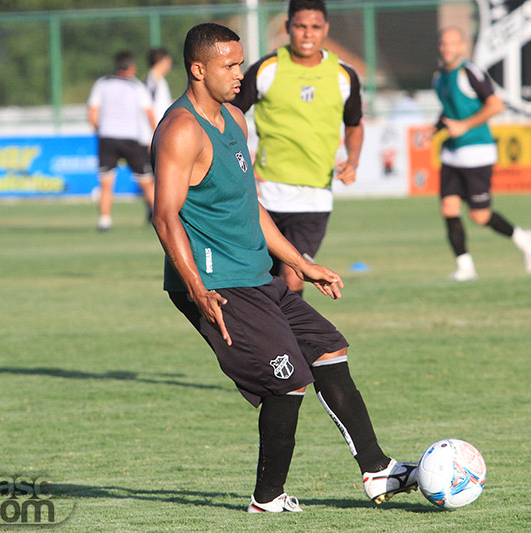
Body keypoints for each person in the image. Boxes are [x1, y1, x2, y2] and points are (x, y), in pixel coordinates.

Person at [151, 22, 417, 513]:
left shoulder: (234, 118)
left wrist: (300, 263)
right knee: (289, 381)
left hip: (258, 276)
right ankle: (267, 497)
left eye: (240, 63)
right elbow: (165, 217)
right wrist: (196, 288)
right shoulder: (181, 130)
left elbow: (249, 205)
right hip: (219, 284)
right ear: (198, 70)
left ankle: (378, 469)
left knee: (329, 349)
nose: (239, 73)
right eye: (229, 65)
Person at [233, 0, 363, 297]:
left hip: (313, 199)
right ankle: (274, 329)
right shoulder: (266, 69)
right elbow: (229, 115)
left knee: (293, 276)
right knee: (261, 280)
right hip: (265, 195)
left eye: (315, 27)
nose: (307, 34)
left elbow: (355, 124)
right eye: (301, 26)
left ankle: (287, 330)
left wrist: (353, 161)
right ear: (287, 26)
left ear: (325, 29)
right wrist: (240, 163)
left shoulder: (344, 75)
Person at [433, 27, 531, 281]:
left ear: (462, 47)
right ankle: (465, 267)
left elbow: (496, 105)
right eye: (444, 43)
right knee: (449, 208)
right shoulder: (439, 78)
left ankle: (523, 238)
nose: (447, 48)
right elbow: (448, 110)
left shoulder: (470, 73)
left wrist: (464, 126)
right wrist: (434, 129)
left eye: (453, 43)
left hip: (477, 152)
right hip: (452, 154)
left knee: (480, 216)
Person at [87, 50, 156, 232]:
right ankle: (160, 216)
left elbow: (92, 113)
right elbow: (149, 114)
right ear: (131, 67)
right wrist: (155, 137)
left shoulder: (102, 83)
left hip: (107, 138)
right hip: (131, 139)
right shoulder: (137, 86)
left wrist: (101, 131)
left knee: (106, 182)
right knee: (146, 181)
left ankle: (104, 220)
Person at [146, 47, 174, 126]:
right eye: (168, 61)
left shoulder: (160, 81)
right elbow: (149, 108)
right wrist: (154, 129)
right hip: (154, 129)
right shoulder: (152, 81)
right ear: (160, 61)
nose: (170, 64)